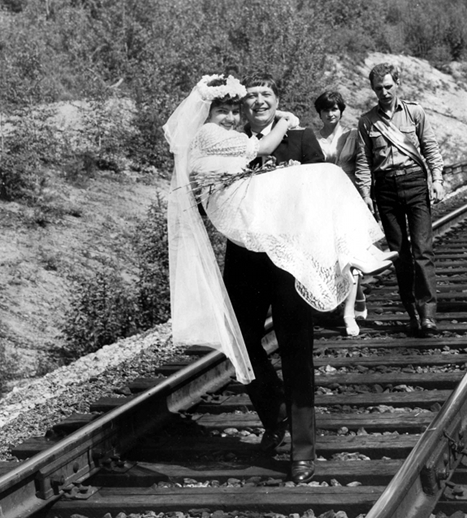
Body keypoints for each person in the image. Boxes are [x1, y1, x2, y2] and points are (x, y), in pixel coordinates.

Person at [164, 74, 394, 483]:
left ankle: (303, 450)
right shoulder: (225, 140)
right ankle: (275, 413)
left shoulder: (300, 139)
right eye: (251, 97)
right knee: (240, 340)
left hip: (292, 261)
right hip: (245, 261)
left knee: (296, 348)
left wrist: (334, 253)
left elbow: (323, 198)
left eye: (265, 94)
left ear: (276, 100)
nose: (258, 102)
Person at [355, 62, 446, 337]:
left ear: (397, 84)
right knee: (399, 255)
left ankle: (428, 314)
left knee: (422, 251)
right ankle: (412, 313)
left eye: (388, 86)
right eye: (378, 89)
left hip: (414, 183)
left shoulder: (415, 112)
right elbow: (363, 161)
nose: (384, 93)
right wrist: (365, 194)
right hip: (385, 190)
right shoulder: (367, 122)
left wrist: (437, 179)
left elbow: (430, 147)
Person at [314, 90, 367, 337]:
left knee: (350, 256)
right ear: (320, 113)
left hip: (349, 200)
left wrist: (367, 197)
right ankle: (359, 295)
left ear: (341, 111)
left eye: (334, 108)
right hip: (323, 203)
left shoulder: (353, 136)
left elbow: (364, 168)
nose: (330, 114)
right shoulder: (313, 138)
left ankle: (348, 315)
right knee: (332, 258)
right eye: (325, 109)